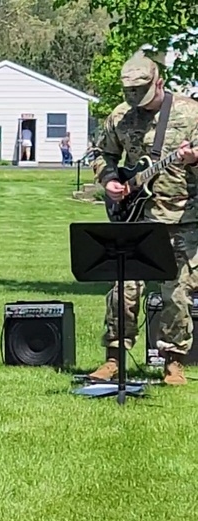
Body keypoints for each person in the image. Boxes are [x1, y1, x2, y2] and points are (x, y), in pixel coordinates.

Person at [88, 51, 198, 385]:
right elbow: (100, 152)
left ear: (159, 82)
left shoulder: (191, 113)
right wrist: (109, 180)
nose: (136, 99)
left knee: (176, 291)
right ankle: (114, 357)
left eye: (142, 91)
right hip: (134, 217)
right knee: (122, 286)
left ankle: (173, 361)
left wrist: (192, 161)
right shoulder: (121, 116)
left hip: (182, 216)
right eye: (130, 92)